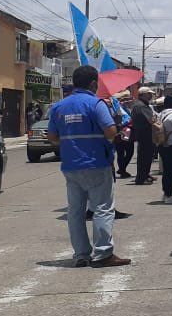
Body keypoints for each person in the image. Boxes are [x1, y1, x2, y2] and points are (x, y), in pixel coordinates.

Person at [47, 66, 131, 268]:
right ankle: (103, 254)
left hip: (70, 166)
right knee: (102, 208)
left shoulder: (58, 107)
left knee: (75, 211)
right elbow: (110, 131)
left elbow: (52, 138)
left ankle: (81, 255)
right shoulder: (96, 104)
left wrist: (71, 144)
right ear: (93, 83)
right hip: (96, 164)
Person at [130, 87, 157, 184]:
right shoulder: (141, 106)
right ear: (142, 94)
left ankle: (145, 174)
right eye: (148, 94)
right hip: (145, 134)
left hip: (143, 133)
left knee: (147, 156)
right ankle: (141, 178)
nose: (150, 96)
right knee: (144, 156)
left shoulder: (139, 104)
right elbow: (152, 120)